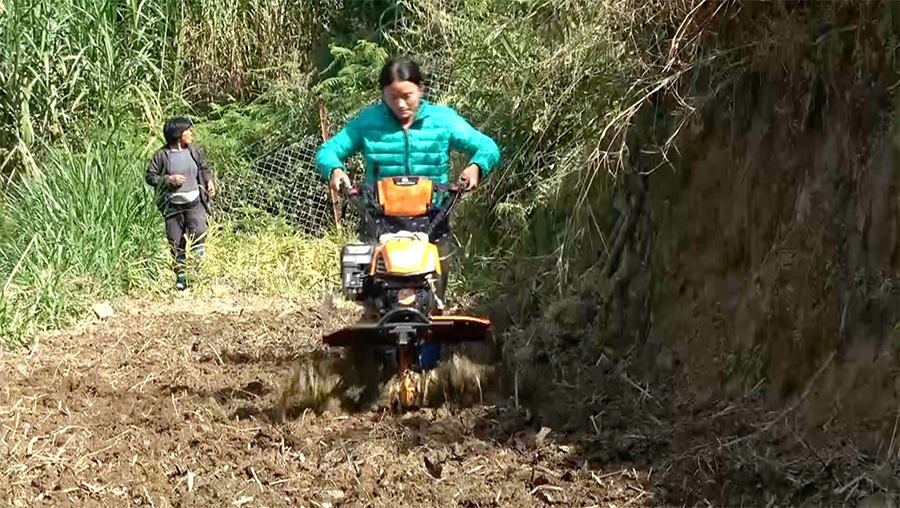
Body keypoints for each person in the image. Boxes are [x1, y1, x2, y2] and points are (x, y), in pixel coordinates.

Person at [315, 56, 500, 299]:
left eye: (408, 96)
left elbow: (487, 146)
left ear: (420, 90)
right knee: (376, 290)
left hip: (432, 214)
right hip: (379, 215)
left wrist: (476, 167)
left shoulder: (443, 121)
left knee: (432, 289)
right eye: (393, 97)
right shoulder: (368, 122)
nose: (401, 104)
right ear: (382, 94)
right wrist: (335, 170)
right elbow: (328, 151)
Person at [145, 117, 216, 291]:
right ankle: (181, 278)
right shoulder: (161, 155)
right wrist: (169, 179)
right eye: (188, 130)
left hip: (195, 203)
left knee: (199, 234)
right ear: (178, 135)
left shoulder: (194, 151)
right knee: (176, 242)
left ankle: (195, 271)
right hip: (172, 207)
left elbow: (203, 168)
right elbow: (150, 177)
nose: (191, 133)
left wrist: (209, 181)